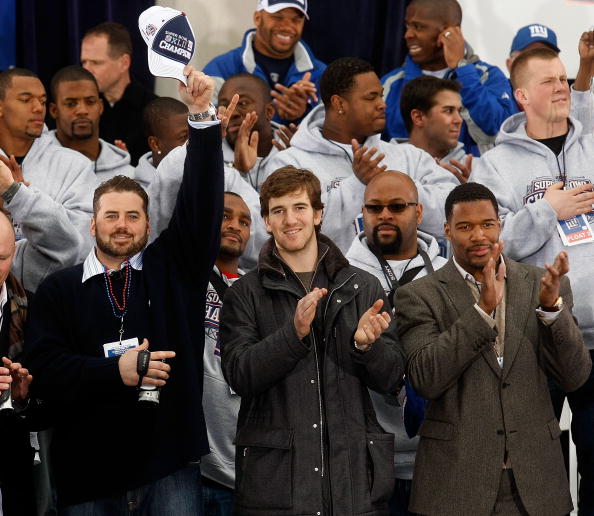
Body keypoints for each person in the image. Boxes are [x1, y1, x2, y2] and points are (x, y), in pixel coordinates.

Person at [24, 67, 229, 513]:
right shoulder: (60, 289)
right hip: (88, 473)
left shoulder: (172, 270)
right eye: (111, 216)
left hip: (168, 467)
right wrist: (116, 371)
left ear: (149, 224)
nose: (122, 225)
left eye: (133, 216)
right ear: (92, 224)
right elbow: (45, 371)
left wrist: (202, 118)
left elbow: (202, 204)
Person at [394, 182, 591, 515]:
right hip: (455, 486)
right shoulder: (417, 295)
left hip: (537, 485)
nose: (478, 236)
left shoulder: (542, 284)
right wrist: (482, 312)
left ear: (499, 225)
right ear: (447, 230)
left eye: (487, 224)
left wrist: (551, 311)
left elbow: (575, 376)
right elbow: (426, 379)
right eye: (465, 227)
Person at [219, 165, 404, 515]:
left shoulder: (363, 286)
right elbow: (239, 375)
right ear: (266, 221)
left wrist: (367, 347)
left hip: (354, 488)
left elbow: (392, 379)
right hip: (277, 492)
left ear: (318, 214)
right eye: (278, 211)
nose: (290, 220)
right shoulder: (244, 293)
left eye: (300, 207)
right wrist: (293, 335)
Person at [470, 47, 594, 513]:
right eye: (549, 81)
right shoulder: (494, 164)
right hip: (534, 337)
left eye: (564, 79)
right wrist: (547, 210)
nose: (562, 87)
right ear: (521, 95)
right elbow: (486, 242)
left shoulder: (592, 145)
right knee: (534, 467)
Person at [264, 57, 459, 253]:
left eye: (381, 96)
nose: (382, 104)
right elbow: (291, 231)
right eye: (371, 97)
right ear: (339, 103)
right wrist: (356, 184)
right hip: (330, 274)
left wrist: (398, 187)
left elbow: (453, 215)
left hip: (408, 272)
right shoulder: (290, 163)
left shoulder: (409, 157)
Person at [345, 171, 446, 515]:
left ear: (418, 212)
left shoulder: (448, 273)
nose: (384, 215)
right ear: (363, 213)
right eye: (375, 208)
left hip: (436, 455)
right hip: (362, 459)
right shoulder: (339, 276)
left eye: (397, 206)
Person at [0, 68, 97, 292]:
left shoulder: (75, 166)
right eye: (26, 99)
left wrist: (16, 195)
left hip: (52, 299)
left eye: (42, 101)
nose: (38, 108)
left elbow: (80, 247)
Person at [381, 0, 516, 155]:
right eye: (407, 26)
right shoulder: (391, 84)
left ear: (449, 31)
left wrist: (462, 69)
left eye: (418, 27)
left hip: (470, 170)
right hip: (406, 171)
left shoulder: (487, 76)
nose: (408, 35)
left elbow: (497, 131)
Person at [201, 191, 251, 516]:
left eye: (244, 222)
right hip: (193, 465)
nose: (235, 225)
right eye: (225, 216)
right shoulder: (184, 278)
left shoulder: (259, 289)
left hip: (244, 464)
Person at [203, 0, 326, 124]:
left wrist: (304, 116)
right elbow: (205, 126)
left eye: (296, 20)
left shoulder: (322, 75)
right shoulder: (221, 69)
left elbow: (331, 131)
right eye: (278, 17)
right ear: (257, 18)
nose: (287, 27)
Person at [81, 22, 157, 165]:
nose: (86, 71)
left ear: (124, 62)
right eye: (84, 62)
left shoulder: (154, 112)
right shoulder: (80, 109)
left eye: (96, 63)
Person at [0, 207, 35, 516]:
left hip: (11, 467)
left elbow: (44, 408)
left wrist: (22, 397)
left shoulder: (27, 309)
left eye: (1, 258)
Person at [48, 65, 134, 182]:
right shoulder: (34, 163)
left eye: (90, 102)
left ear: (100, 107)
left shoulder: (128, 176)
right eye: (71, 104)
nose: (82, 111)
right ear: (54, 110)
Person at [507, 25, 594, 134]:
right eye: (532, 55)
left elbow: (580, 124)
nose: (559, 87)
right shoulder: (498, 100)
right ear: (511, 64)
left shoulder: (564, 108)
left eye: (547, 55)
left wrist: (586, 64)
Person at [399, 75, 472, 182]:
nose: (459, 120)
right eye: (448, 110)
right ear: (418, 117)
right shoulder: (381, 165)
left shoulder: (477, 170)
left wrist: (472, 190)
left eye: (459, 111)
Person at [135, 97, 189, 191]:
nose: (193, 142)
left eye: (194, 134)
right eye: (183, 137)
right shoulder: (137, 194)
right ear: (155, 144)